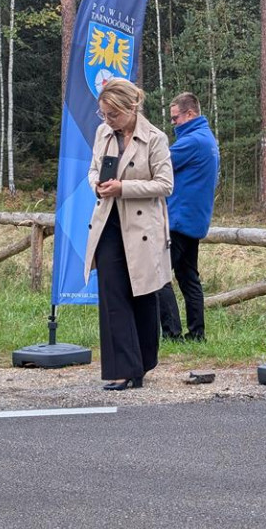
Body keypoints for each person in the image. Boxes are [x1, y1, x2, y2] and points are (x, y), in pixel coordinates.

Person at [84, 78, 173, 391]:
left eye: (114, 115)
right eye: (104, 115)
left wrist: (125, 188)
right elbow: (93, 170)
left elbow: (165, 184)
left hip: (141, 228)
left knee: (143, 294)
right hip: (107, 223)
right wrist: (96, 184)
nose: (108, 121)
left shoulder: (155, 138)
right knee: (112, 295)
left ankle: (143, 363)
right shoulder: (102, 133)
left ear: (131, 107)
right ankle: (122, 368)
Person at [158, 92, 220, 342]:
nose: (173, 124)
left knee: (159, 276)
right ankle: (197, 333)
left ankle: (172, 333)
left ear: (190, 114)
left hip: (178, 220)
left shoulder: (191, 141)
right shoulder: (206, 138)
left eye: (175, 119)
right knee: (187, 277)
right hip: (193, 220)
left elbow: (158, 164)